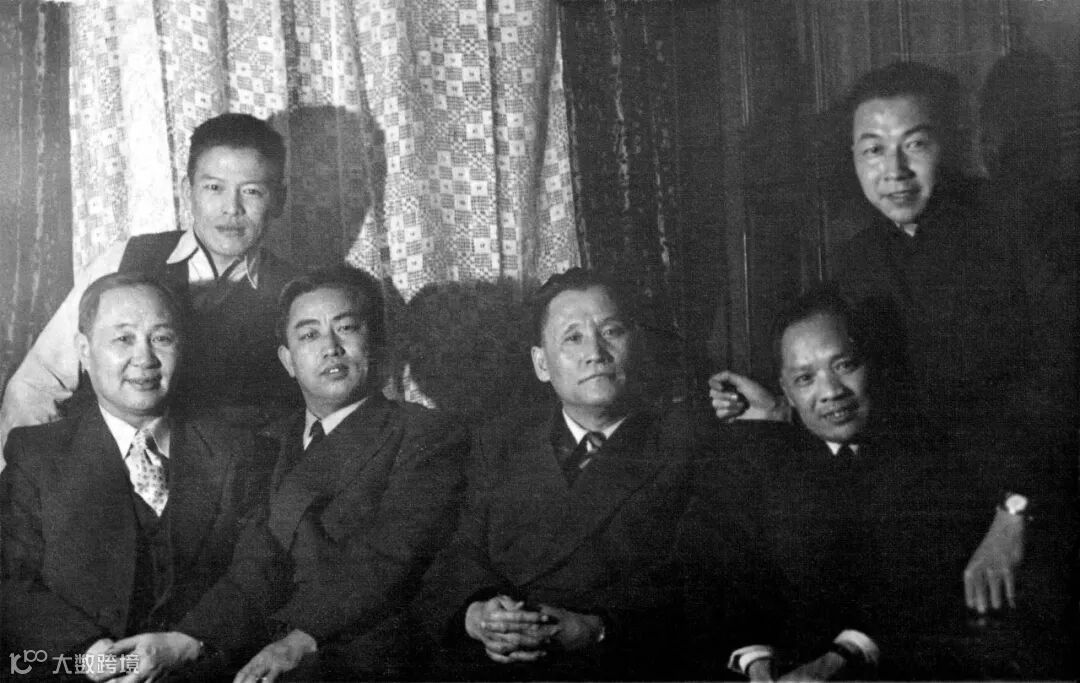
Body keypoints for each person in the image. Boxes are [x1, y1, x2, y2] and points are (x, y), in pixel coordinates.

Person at [709, 61, 1077, 620]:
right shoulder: (859, 262)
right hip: (930, 508)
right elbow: (870, 390)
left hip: (1042, 498)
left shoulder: (1025, 225)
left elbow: (1065, 381)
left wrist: (1015, 510)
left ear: (950, 144)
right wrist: (783, 409)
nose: (894, 171)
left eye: (915, 145)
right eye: (873, 150)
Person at [115, 266, 467, 682]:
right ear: (288, 361)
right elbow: (257, 562)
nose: (331, 348)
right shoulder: (266, 443)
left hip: (364, 652)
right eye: (309, 335)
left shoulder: (422, 434)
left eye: (346, 328)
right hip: (261, 646)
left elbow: (388, 558)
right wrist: (187, 640)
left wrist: (298, 642)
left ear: (373, 344)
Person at [417, 268, 715, 681]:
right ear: (542, 363)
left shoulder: (686, 443)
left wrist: (595, 628)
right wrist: (476, 614)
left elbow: (704, 582)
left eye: (611, 332)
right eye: (573, 338)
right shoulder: (499, 443)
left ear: (636, 344)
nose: (596, 353)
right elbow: (459, 552)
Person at [0, 273, 268, 680]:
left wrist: (189, 642)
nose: (145, 358)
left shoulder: (237, 452)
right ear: (84, 351)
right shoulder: (37, 455)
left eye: (161, 338)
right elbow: (8, 579)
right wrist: (90, 655)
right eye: (123, 339)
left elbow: (260, 566)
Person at [684, 290, 962, 681]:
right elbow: (724, 577)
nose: (831, 391)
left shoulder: (928, 461)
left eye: (845, 365)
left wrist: (840, 659)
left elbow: (925, 590)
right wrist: (756, 659)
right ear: (786, 392)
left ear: (871, 364)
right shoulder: (761, 467)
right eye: (805, 378)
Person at [0, 112, 302, 460]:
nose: (231, 209)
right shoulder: (125, 260)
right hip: (102, 470)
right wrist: (37, 478)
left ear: (278, 200)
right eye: (214, 188)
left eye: (251, 191)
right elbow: (38, 384)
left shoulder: (295, 294)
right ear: (187, 190)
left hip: (221, 483)